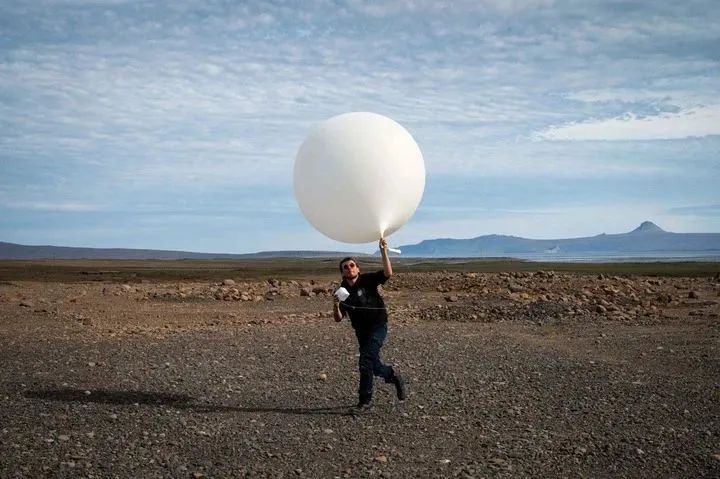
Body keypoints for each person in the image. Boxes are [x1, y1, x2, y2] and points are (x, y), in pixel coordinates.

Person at [333, 238, 406, 414]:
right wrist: (335, 305)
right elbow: (338, 318)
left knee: (365, 361)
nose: (349, 268)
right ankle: (392, 375)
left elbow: (388, 273)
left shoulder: (368, 280)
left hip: (378, 326)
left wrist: (383, 252)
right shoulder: (342, 292)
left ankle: (364, 402)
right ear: (342, 273)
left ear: (358, 268)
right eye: (345, 267)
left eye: (352, 265)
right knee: (374, 364)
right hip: (361, 331)